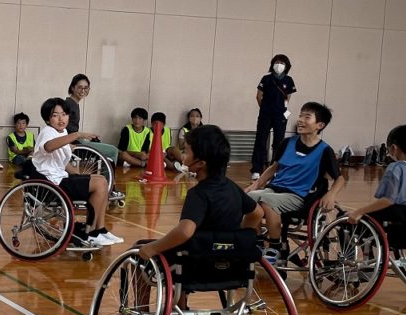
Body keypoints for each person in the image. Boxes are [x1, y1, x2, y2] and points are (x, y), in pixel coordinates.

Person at [138, 124, 262, 258]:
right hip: (230, 259)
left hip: (198, 260)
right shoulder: (234, 188)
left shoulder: (198, 194)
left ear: (200, 163)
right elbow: (257, 213)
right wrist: (238, 239)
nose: (183, 155)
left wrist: (153, 248)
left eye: (186, 151)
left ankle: (138, 278)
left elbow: (185, 232)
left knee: (140, 248)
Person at [246, 102, 344, 259]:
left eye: (307, 117)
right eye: (300, 115)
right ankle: (256, 241)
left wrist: (331, 194)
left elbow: (340, 179)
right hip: (275, 188)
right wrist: (256, 185)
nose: (300, 120)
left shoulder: (325, 150)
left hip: (299, 196)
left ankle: (276, 246)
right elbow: (274, 168)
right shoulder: (287, 143)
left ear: (320, 125)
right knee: (249, 199)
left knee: (267, 200)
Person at [31, 97, 122, 248]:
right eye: (55, 115)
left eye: (64, 114)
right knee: (100, 183)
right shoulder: (48, 132)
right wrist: (77, 135)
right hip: (51, 184)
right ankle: (91, 233)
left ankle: (100, 230)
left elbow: (62, 163)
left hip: (59, 178)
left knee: (100, 179)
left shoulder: (62, 133)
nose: (61, 118)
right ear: (48, 119)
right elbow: (48, 147)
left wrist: (81, 176)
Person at [347, 125, 406, 226]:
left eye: (388, 150)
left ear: (393, 148)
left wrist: (359, 211)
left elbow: (388, 200)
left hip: (397, 223)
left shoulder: (395, 168)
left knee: (348, 218)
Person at [250, 55, 296, 181]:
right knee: (260, 141)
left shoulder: (289, 80)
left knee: (278, 143)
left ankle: (274, 170)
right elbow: (258, 96)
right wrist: (264, 108)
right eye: (277, 62)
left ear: (286, 65)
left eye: (282, 62)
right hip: (265, 114)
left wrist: (282, 109)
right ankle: (256, 170)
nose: (279, 64)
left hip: (280, 115)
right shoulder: (266, 78)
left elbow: (287, 98)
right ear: (272, 64)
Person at [64, 73, 119, 164]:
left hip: (74, 140)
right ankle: (107, 177)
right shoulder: (69, 105)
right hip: (72, 143)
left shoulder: (73, 103)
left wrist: (87, 136)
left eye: (86, 88)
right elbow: (66, 130)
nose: (83, 90)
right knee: (113, 151)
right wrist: (83, 135)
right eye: (80, 87)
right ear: (72, 88)